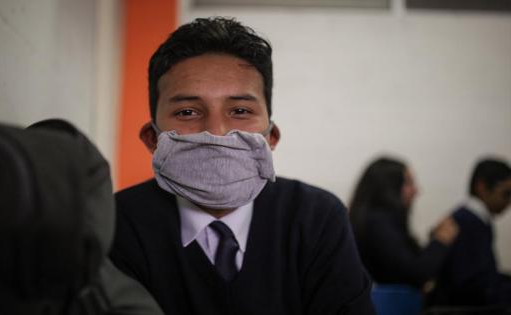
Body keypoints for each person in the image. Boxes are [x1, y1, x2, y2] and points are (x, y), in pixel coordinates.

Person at [109, 17, 375, 315]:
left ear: (270, 137)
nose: (216, 132)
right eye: (186, 111)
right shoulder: (113, 224)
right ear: (152, 139)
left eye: (239, 111)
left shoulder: (317, 218)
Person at [349, 157, 459, 289]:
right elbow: (413, 274)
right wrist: (440, 241)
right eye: (408, 183)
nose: (416, 191)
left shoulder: (374, 221)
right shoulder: (379, 223)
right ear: (388, 186)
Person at [428, 158, 511, 307]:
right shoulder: (469, 222)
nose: (508, 202)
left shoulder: (472, 219)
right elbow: (472, 282)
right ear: (481, 187)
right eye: (506, 193)